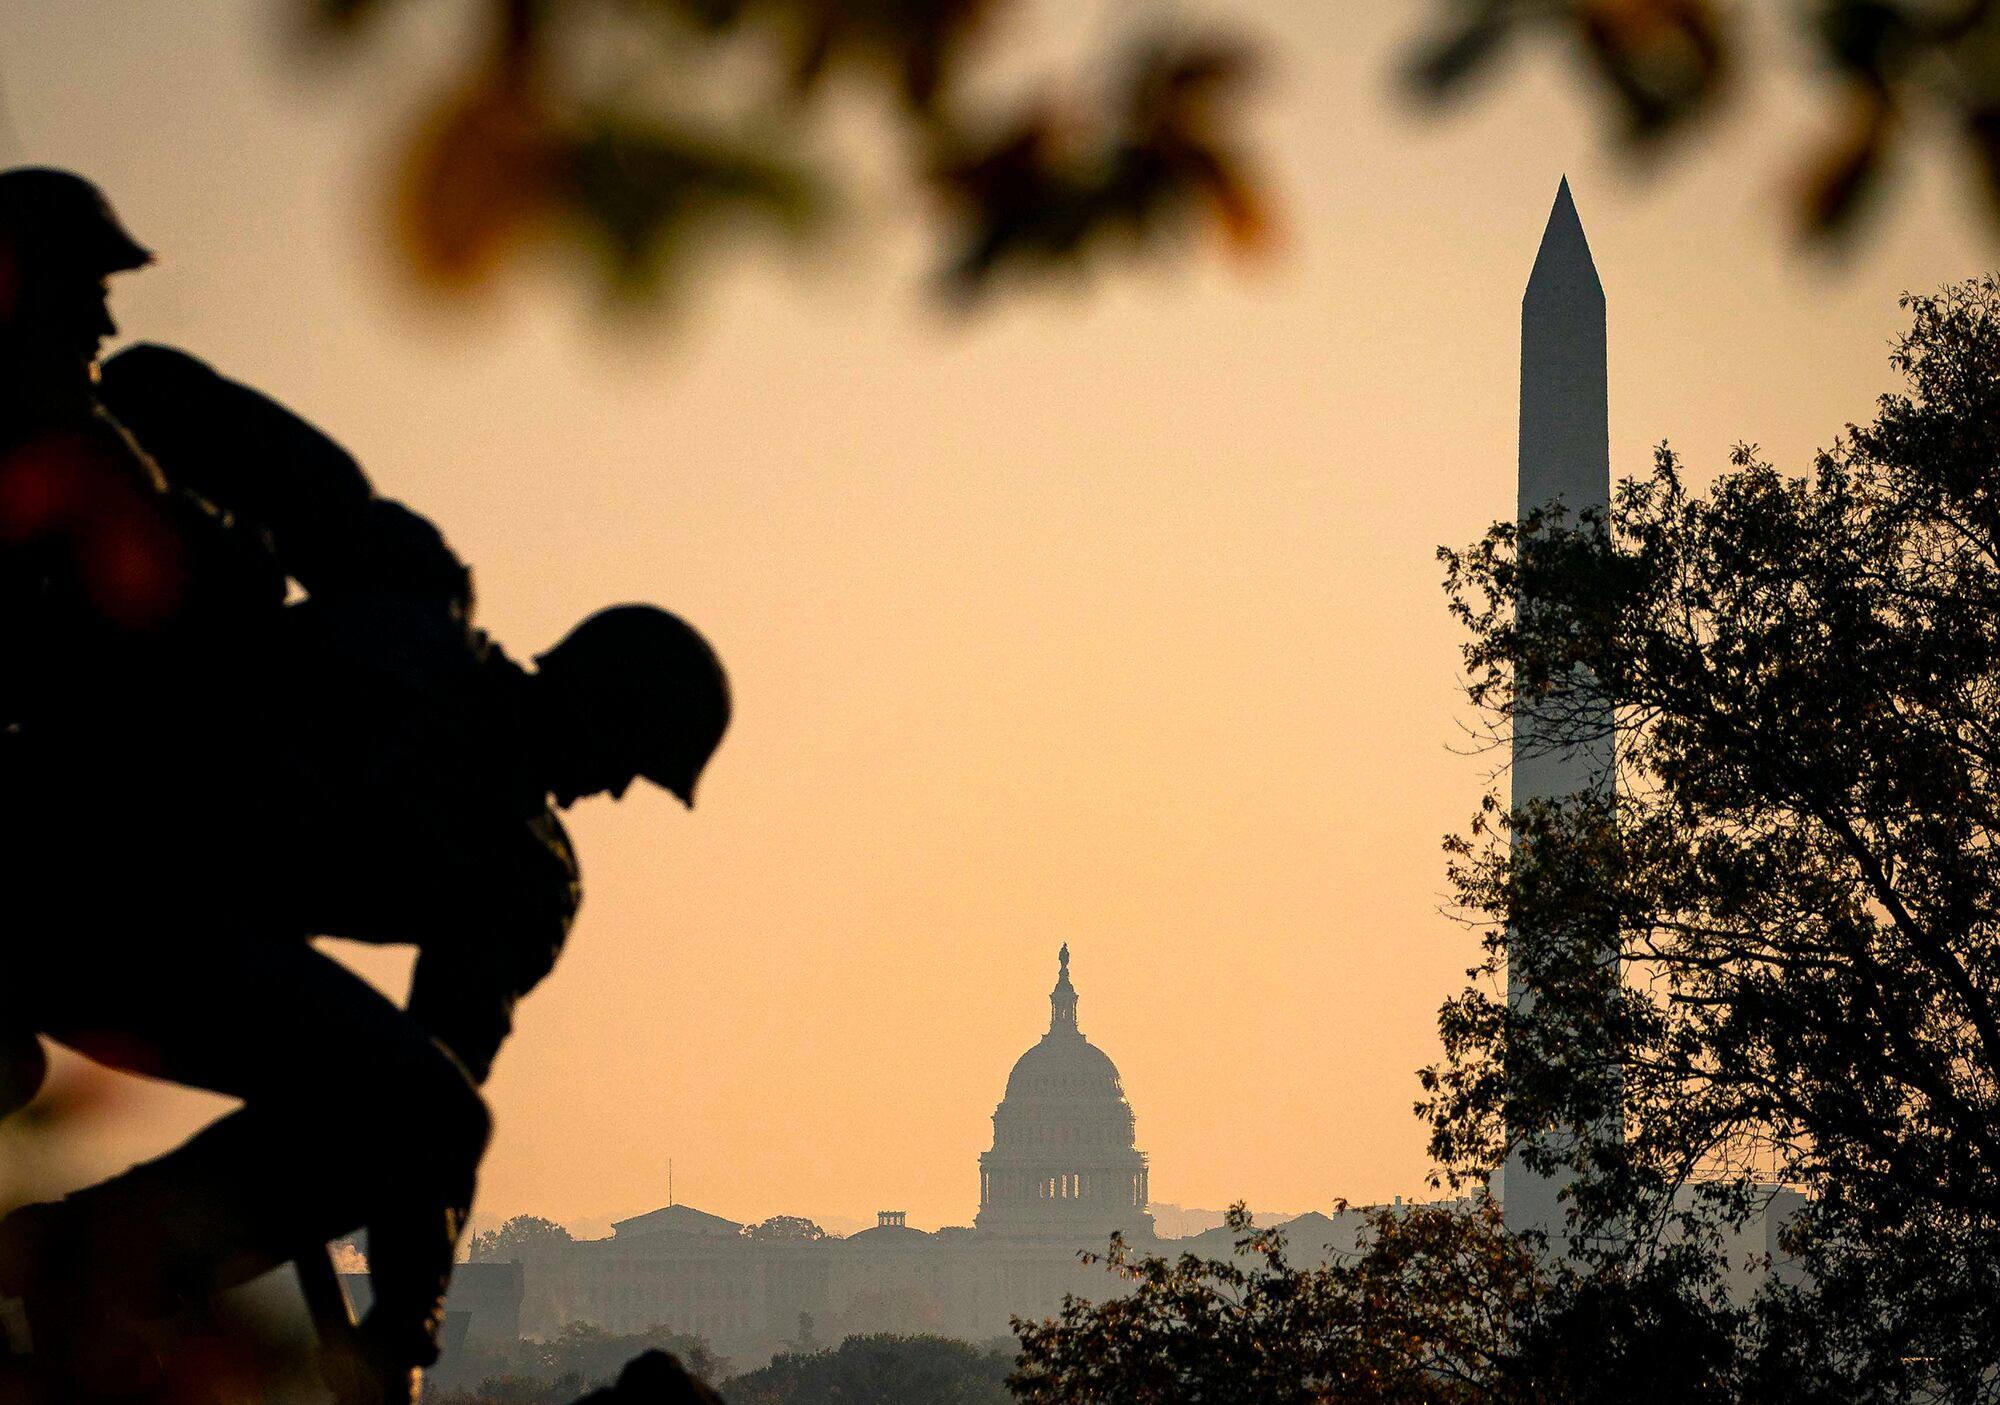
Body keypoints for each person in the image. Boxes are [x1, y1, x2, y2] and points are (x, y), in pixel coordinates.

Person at [0, 170, 733, 1404]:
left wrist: (399, 1324)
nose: (607, 791)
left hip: (158, 936)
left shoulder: (516, 879)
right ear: (602, 702)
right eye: (628, 763)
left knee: (418, 1115)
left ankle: (80, 1259)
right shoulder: (414, 609)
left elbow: (428, 1111)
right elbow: (167, 399)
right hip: (78, 842)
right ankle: (81, 1264)